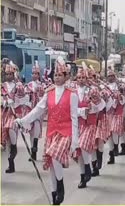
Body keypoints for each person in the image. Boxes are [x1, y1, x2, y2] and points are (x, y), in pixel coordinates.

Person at [15, 58, 79, 205]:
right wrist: (23, 120)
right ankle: (54, 192)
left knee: (55, 156)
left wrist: (75, 140)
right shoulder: (48, 92)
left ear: (66, 76)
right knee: (51, 163)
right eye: (55, 75)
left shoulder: (72, 93)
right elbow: (38, 110)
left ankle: (61, 185)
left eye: (60, 75)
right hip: (52, 131)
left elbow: (74, 117)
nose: (57, 77)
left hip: (66, 131)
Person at [25, 61, 46, 161]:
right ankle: (32, 152)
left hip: (37, 112)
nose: (34, 75)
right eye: (33, 73)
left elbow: (44, 99)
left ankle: (35, 150)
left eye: (36, 73)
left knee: (36, 131)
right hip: (30, 110)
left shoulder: (42, 86)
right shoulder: (28, 85)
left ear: (39, 75)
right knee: (31, 133)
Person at [2, 61, 19, 173]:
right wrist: (4, 102)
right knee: (6, 137)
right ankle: (10, 163)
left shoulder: (18, 86)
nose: (8, 76)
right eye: (7, 74)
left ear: (13, 75)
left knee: (12, 130)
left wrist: (15, 101)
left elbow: (23, 98)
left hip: (14, 113)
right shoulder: (2, 86)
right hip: (4, 113)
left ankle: (14, 147)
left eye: (10, 74)